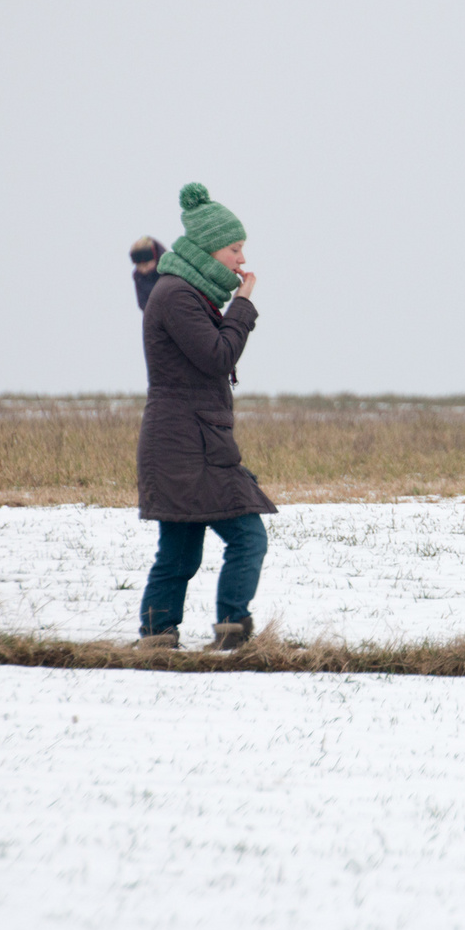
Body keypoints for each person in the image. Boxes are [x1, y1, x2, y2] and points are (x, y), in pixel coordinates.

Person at [136, 183, 277, 649]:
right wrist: (244, 306)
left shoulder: (185, 294)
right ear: (207, 249)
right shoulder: (176, 296)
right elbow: (218, 356)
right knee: (244, 538)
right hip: (184, 445)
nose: (241, 259)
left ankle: (159, 640)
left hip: (191, 442)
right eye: (234, 248)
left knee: (178, 553)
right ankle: (230, 632)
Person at [130, 235, 166, 311]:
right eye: (139, 266)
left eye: (146, 265)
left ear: (155, 257)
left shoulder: (169, 270)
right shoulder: (139, 277)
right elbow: (142, 303)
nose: (143, 269)